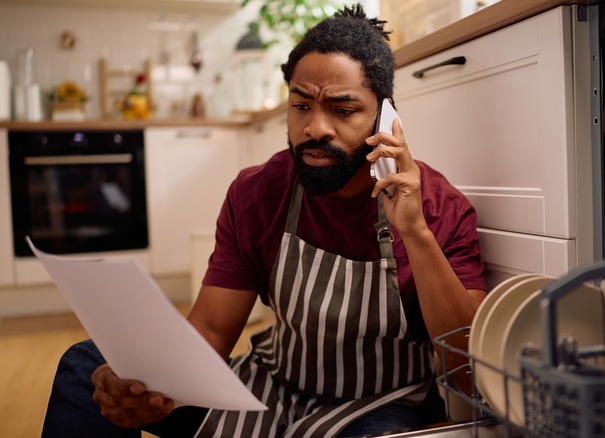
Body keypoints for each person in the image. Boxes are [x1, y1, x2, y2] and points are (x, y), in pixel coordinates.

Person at [42, 4, 486, 437]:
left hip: (378, 406)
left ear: (387, 117)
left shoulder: (438, 208)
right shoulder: (258, 191)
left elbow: (468, 372)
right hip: (270, 385)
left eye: (343, 110)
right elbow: (213, 328)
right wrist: (147, 385)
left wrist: (414, 231)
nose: (316, 128)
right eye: (301, 105)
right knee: (89, 367)